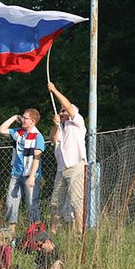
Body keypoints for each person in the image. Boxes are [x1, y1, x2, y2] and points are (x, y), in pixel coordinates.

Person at [0, 108, 45, 237]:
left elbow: (37, 157)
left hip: (30, 174)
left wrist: (31, 177)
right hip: (16, 173)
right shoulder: (18, 132)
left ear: (33, 121)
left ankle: (35, 233)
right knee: (11, 201)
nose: (22, 120)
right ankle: (10, 233)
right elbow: (0, 130)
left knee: (31, 204)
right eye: (22, 117)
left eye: (25, 118)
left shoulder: (37, 136)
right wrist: (13, 118)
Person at [48, 82, 88, 235]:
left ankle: (80, 232)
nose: (62, 112)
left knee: (76, 200)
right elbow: (53, 139)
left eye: (64, 111)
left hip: (76, 165)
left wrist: (54, 90)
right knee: (55, 202)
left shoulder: (77, 122)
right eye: (60, 111)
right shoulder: (62, 127)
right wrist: (56, 125)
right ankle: (53, 232)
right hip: (61, 168)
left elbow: (69, 107)